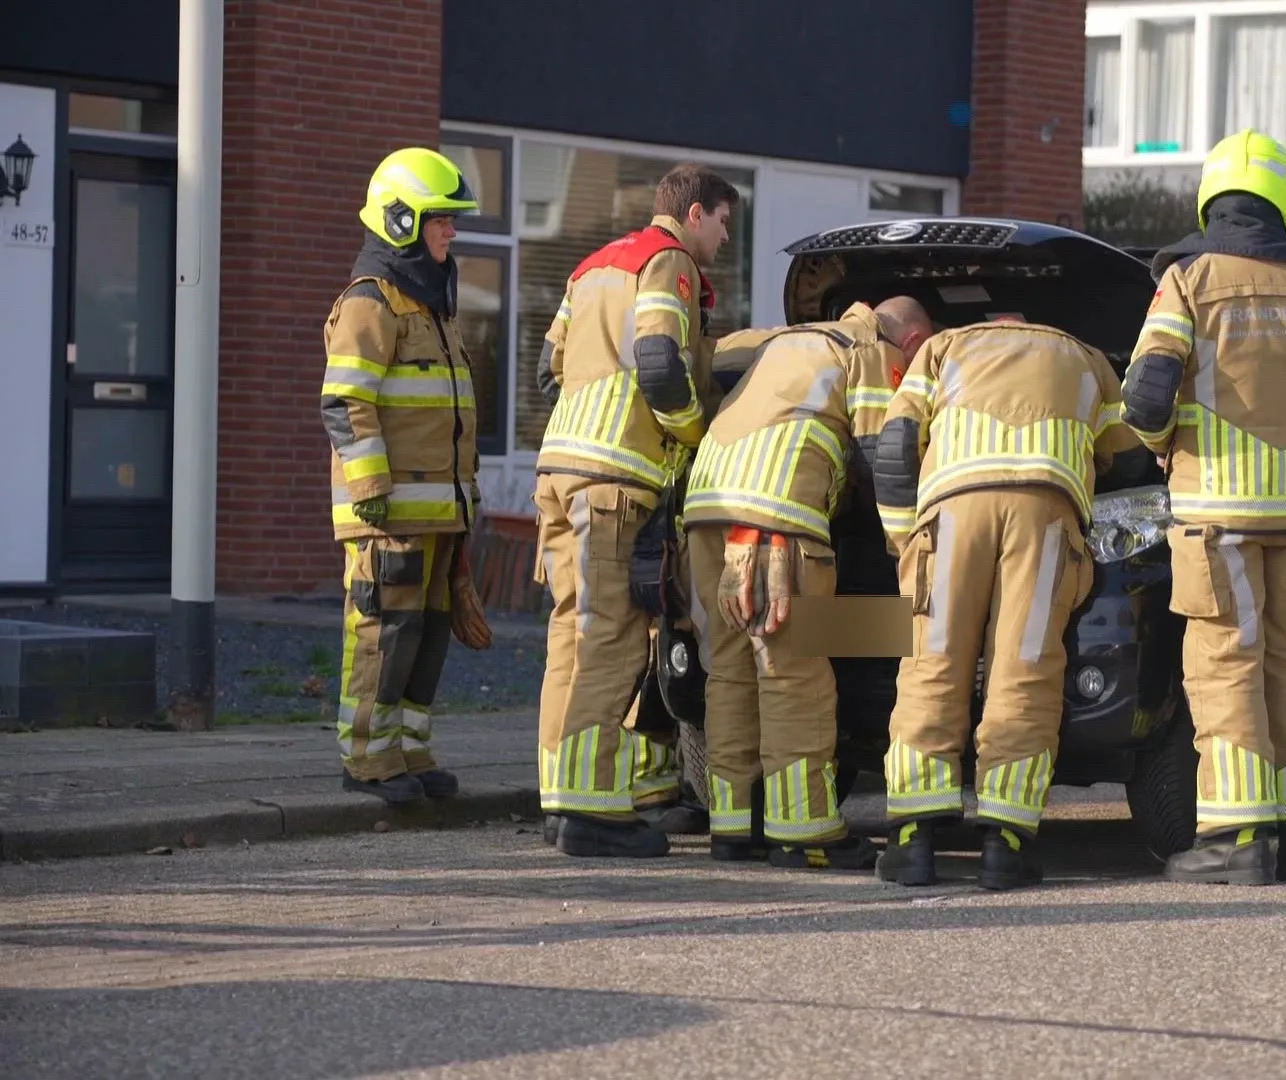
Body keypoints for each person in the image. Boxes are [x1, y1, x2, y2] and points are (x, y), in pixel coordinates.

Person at [1120, 129, 1286, 885]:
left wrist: (1164, 441)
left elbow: (1145, 395)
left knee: (1224, 667)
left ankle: (1236, 842)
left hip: (1219, 517)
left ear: (1211, 199)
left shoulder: (1190, 281)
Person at [870, 316, 1154, 890]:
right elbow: (1128, 456)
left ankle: (913, 842)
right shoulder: (1086, 354)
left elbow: (896, 447)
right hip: (1044, 512)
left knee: (934, 662)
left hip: (952, 512)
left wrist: (904, 544)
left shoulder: (943, 348)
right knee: (1024, 669)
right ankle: (1006, 843)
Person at [680, 298, 937, 870]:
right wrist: (908, 550)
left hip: (704, 510)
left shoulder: (792, 340)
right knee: (793, 671)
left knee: (729, 669)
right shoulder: (872, 352)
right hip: (776, 518)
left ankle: (733, 825)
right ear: (914, 343)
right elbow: (882, 457)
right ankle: (805, 832)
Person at [530, 162, 739, 858]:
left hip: (560, 468)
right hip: (614, 479)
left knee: (571, 634)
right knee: (612, 637)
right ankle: (591, 811)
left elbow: (546, 369)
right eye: (724, 220)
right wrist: (690, 432)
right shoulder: (667, 260)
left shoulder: (591, 266)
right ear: (697, 212)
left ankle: (563, 797)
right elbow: (658, 363)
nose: (726, 236)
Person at [321, 146, 494, 806]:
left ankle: (409, 750)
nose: (451, 232)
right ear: (400, 222)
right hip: (388, 514)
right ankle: (367, 758)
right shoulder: (371, 305)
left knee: (424, 638)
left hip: (438, 514)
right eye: (440, 220)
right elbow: (344, 400)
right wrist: (369, 489)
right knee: (382, 634)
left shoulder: (432, 309)